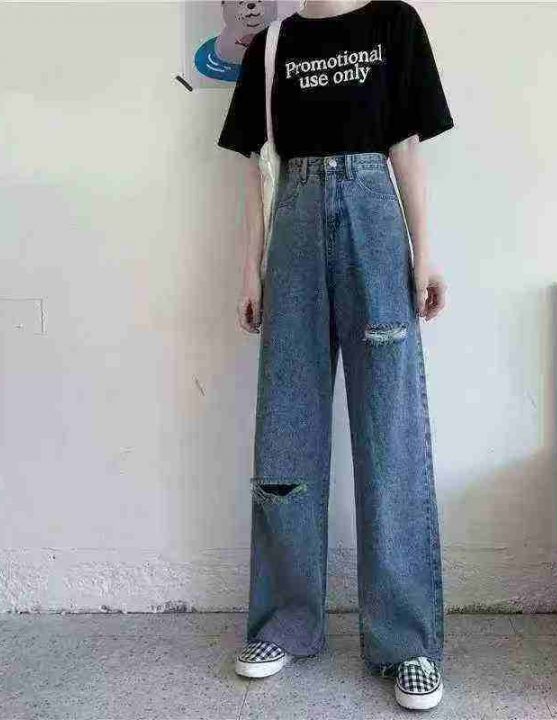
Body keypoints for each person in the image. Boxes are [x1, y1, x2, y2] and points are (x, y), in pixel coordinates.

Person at [216, 0, 454, 710]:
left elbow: (406, 148)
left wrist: (425, 255)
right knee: (287, 431)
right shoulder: (271, 45)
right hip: (292, 232)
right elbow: (257, 169)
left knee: (391, 436)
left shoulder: (393, 24)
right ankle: (283, 624)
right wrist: (251, 269)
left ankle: (407, 644)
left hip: (375, 231)